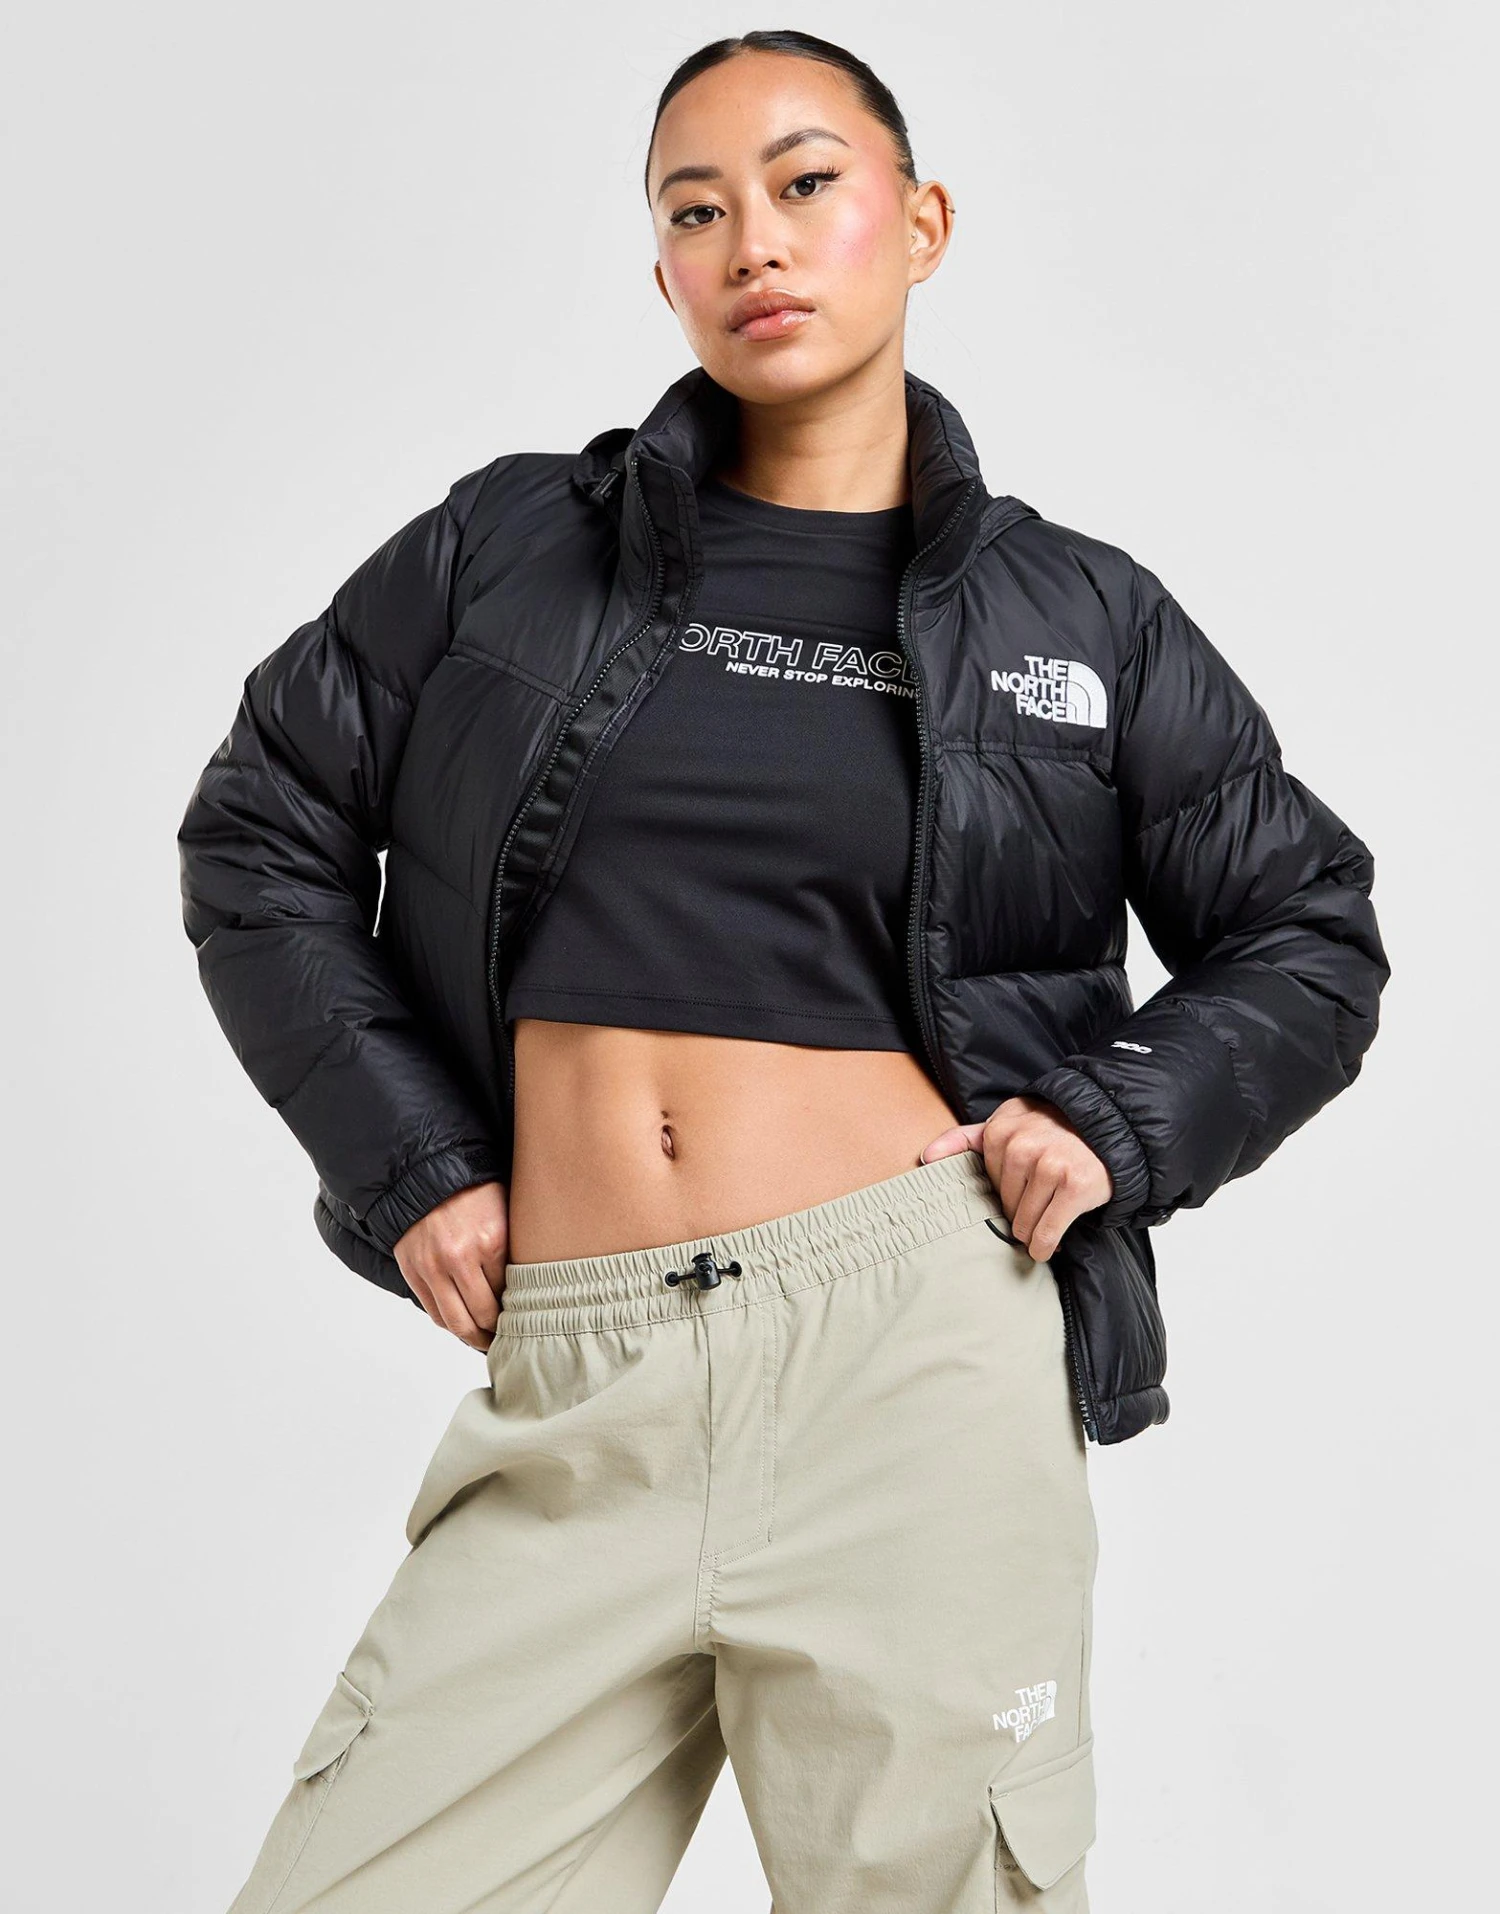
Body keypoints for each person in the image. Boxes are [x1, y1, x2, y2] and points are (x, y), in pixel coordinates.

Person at [177, 29, 1389, 1914]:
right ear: (660, 268)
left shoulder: (1082, 618)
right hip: (580, 1360)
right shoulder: (507, 549)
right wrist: (412, 1162)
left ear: (922, 222)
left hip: (916, 1361)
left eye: (807, 184)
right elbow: (260, 835)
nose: (754, 238)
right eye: (697, 208)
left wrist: (1113, 1118)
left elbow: (1308, 923)